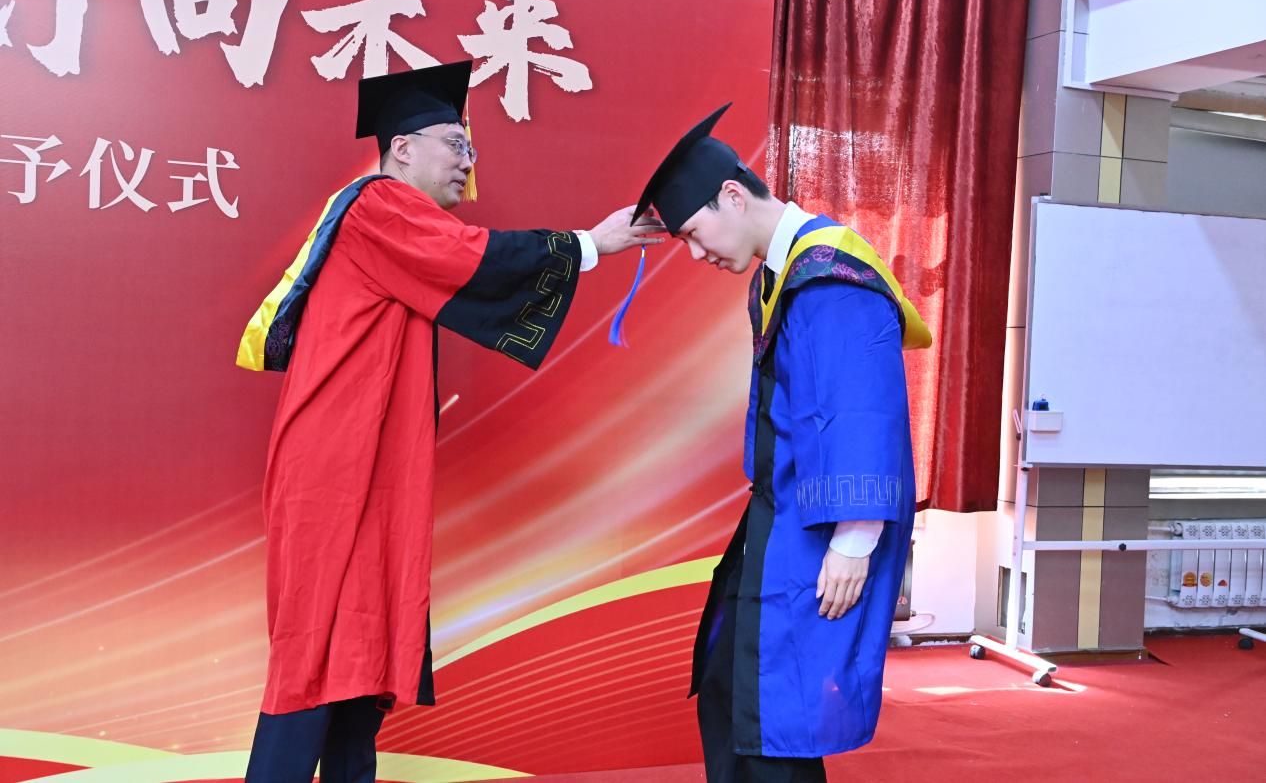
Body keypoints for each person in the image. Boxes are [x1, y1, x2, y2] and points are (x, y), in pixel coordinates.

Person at [236, 60, 662, 782]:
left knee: (361, 649)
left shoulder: (388, 218)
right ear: (402, 148)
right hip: (336, 467)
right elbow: (474, 258)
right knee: (315, 652)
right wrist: (592, 243)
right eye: (456, 145)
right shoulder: (376, 205)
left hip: (368, 462)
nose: (467, 163)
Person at [631, 104, 931, 782]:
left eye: (694, 233)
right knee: (738, 693)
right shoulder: (782, 274)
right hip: (779, 520)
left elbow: (862, 410)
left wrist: (855, 540)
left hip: (818, 533)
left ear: (732, 196)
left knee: (775, 720)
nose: (698, 254)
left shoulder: (831, 278)